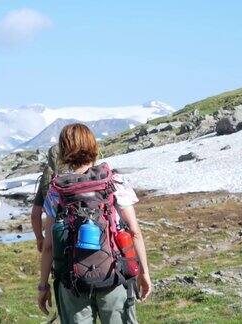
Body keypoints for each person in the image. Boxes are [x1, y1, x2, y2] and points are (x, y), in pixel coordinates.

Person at [37, 123, 152, 324]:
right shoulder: (113, 182)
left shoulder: (57, 191)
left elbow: (48, 246)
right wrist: (144, 273)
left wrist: (43, 287)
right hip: (115, 276)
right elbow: (135, 233)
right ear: (93, 146)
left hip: (72, 282)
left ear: (64, 150)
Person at [31, 144, 65, 252]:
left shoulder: (47, 178)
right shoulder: (88, 172)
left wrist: (40, 238)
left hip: (56, 234)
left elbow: (35, 215)